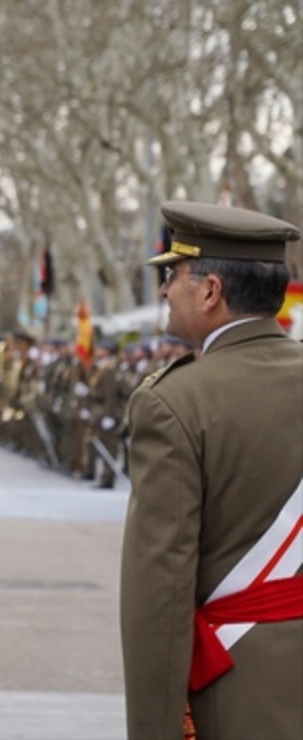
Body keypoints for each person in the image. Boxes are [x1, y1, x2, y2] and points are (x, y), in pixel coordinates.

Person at [120, 201, 303, 740]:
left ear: (210, 291)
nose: (164, 291)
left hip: (238, 692)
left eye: (172, 275)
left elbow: (159, 593)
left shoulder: (176, 403)